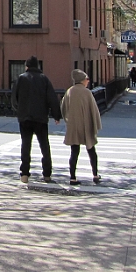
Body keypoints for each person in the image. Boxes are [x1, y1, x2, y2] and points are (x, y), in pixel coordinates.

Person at [11, 55, 61, 184]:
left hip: (25, 118)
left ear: (27, 66)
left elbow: (14, 98)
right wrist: (56, 115)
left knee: (26, 145)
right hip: (41, 118)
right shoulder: (44, 79)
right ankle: (47, 174)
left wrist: (19, 110)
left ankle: (25, 174)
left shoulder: (21, 78)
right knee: (44, 146)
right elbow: (52, 98)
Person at [61, 69, 102, 185]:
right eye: (87, 79)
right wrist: (96, 124)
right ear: (83, 80)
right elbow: (94, 110)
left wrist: (67, 120)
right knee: (91, 150)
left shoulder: (69, 91)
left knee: (74, 151)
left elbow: (63, 108)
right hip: (86, 125)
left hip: (74, 126)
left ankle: (72, 177)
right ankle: (95, 175)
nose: (88, 81)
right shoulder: (87, 92)